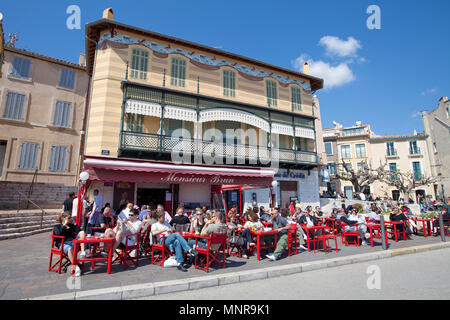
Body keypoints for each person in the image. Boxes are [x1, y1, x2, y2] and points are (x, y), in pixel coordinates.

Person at [53, 212, 88, 276]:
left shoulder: (71, 226)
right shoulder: (57, 226)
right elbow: (58, 233)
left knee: (82, 232)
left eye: (71, 217)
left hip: (73, 242)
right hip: (63, 244)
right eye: (69, 218)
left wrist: (74, 224)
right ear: (63, 219)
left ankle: (83, 252)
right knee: (69, 248)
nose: (70, 219)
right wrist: (64, 225)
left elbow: (78, 231)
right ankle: (75, 267)